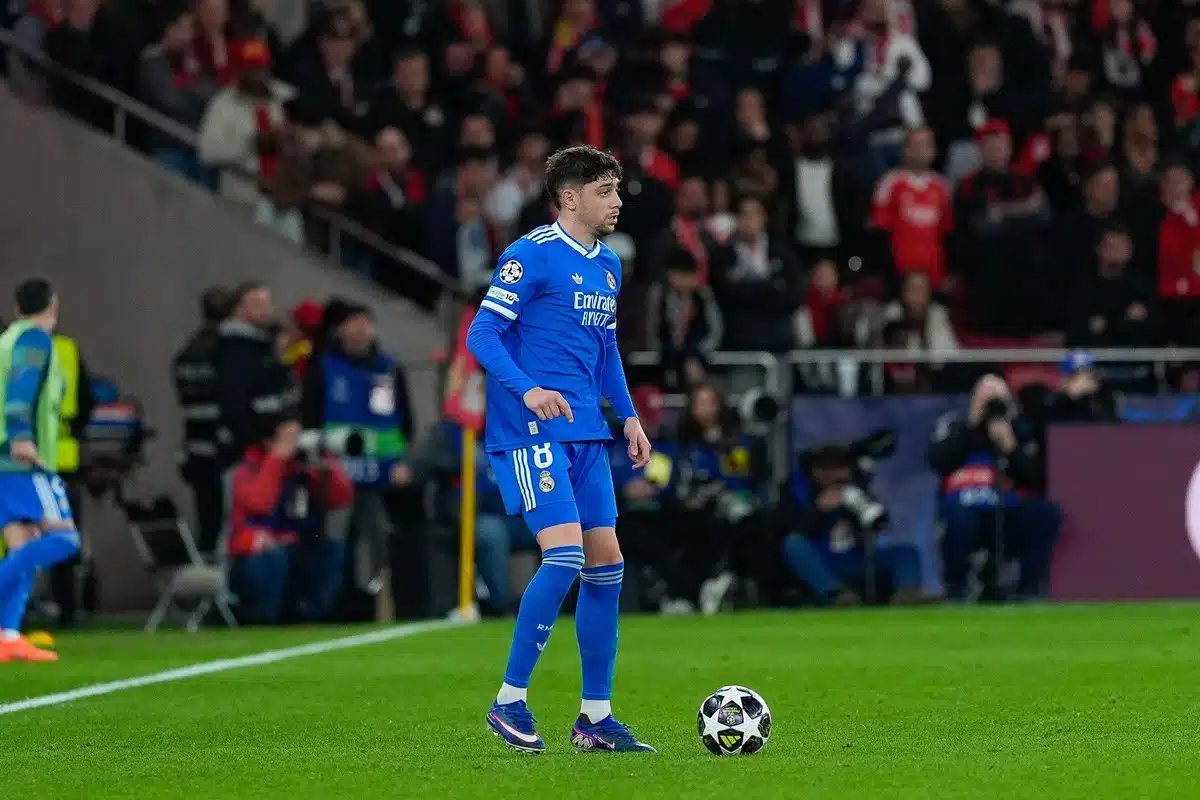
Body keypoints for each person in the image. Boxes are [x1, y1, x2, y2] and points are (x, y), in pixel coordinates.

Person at [465, 145, 655, 754]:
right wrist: (529, 390)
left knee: (608, 565)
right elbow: (482, 333)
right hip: (531, 432)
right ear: (569, 196)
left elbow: (605, 353)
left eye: (617, 190)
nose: (617, 201)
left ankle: (594, 718)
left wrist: (627, 416)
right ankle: (509, 702)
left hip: (587, 435)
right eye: (605, 190)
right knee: (566, 558)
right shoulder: (530, 256)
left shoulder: (608, 267)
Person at [0, 279, 83, 661]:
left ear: (17, 307)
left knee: (26, 544)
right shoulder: (34, 340)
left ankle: (8, 635)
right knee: (64, 538)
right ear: (54, 305)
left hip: (6, 459)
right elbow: (21, 390)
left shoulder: (9, 338)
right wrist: (20, 436)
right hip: (20, 459)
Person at [928, 375, 1062, 602]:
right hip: (966, 508)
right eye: (985, 398)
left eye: (997, 398)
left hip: (1008, 510)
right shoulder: (954, 426)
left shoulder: (1023, 430)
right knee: (957, 517)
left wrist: (1010, 445)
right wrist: (971, 427)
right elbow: (938, 461)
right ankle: (956, 590)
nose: (992, 405)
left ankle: (1028, 589)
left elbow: (1036, 479)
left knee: (1045, 513)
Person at [227, 417, 354, 623]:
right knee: (273, 559)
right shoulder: (247, 469)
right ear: (268, 442)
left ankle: (314, 618)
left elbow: (342, 496)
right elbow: (259, 504)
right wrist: (277, 459)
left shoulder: (302, 468)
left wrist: (325, 467)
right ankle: (265, 622)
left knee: (332, 551)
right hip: (257, 556)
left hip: (300, 547)